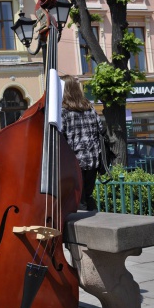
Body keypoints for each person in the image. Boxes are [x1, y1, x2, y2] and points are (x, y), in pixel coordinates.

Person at [61, 75, 103, 211]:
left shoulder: (64, 112)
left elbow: (59, 137)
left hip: (74, 162)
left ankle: (83, 229)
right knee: (88, 195)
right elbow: (101, 129)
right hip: (93, 160)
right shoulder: (90, 108)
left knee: (77, 198)